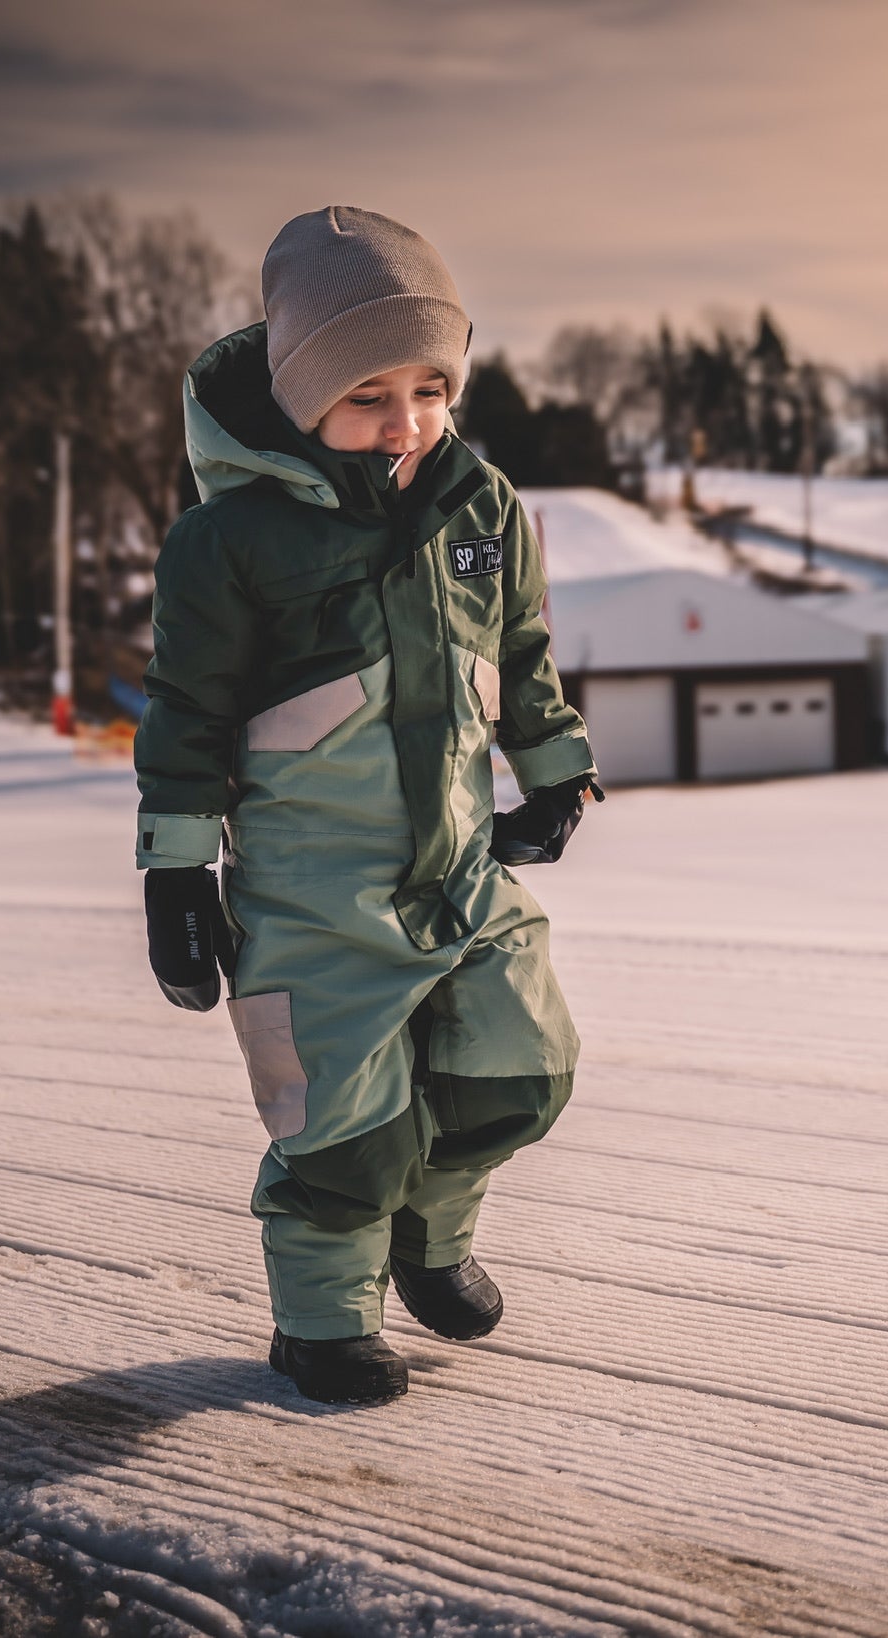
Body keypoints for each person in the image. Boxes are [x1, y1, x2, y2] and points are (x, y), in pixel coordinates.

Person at [135, 207, 599, 1405]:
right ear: (298, 398)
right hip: (310, 891)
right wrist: (176, 872)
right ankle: (321, 1324)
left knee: (515, 1069)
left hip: (455, 867)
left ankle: (428, 1242)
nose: (405, 421)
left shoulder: (479, 503)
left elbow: (521, 648)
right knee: (344, 1133)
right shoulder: (227, 541)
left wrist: (551, 769)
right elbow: (186, 711)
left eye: (429, 386)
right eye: (366, 395)